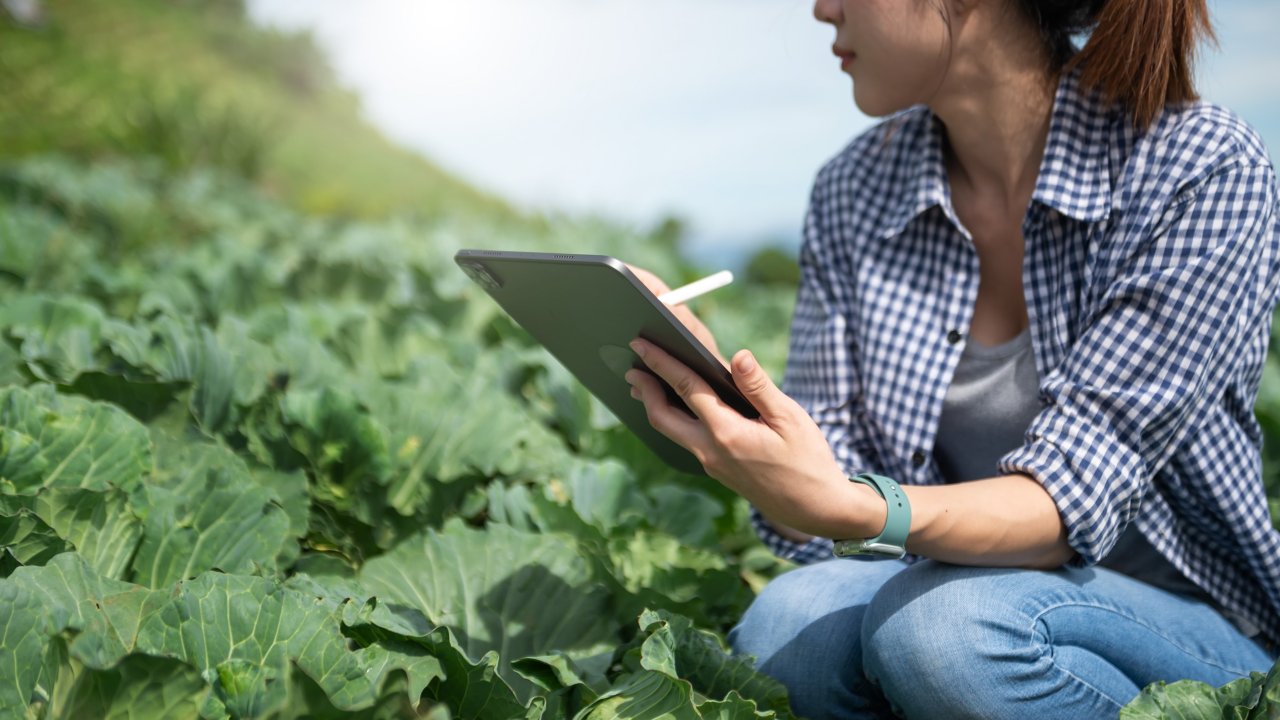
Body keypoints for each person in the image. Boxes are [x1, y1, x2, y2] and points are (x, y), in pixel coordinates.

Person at [622, 0, 1280, 717]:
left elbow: (1071, 498)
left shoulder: (1199, 168)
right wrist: (739, 419)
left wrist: (848, 505)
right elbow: (830, 500)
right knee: (790, 628)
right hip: (945, 586)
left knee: (947, 632)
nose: (820, 9)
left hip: (1192, 633)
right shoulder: (854, 189)